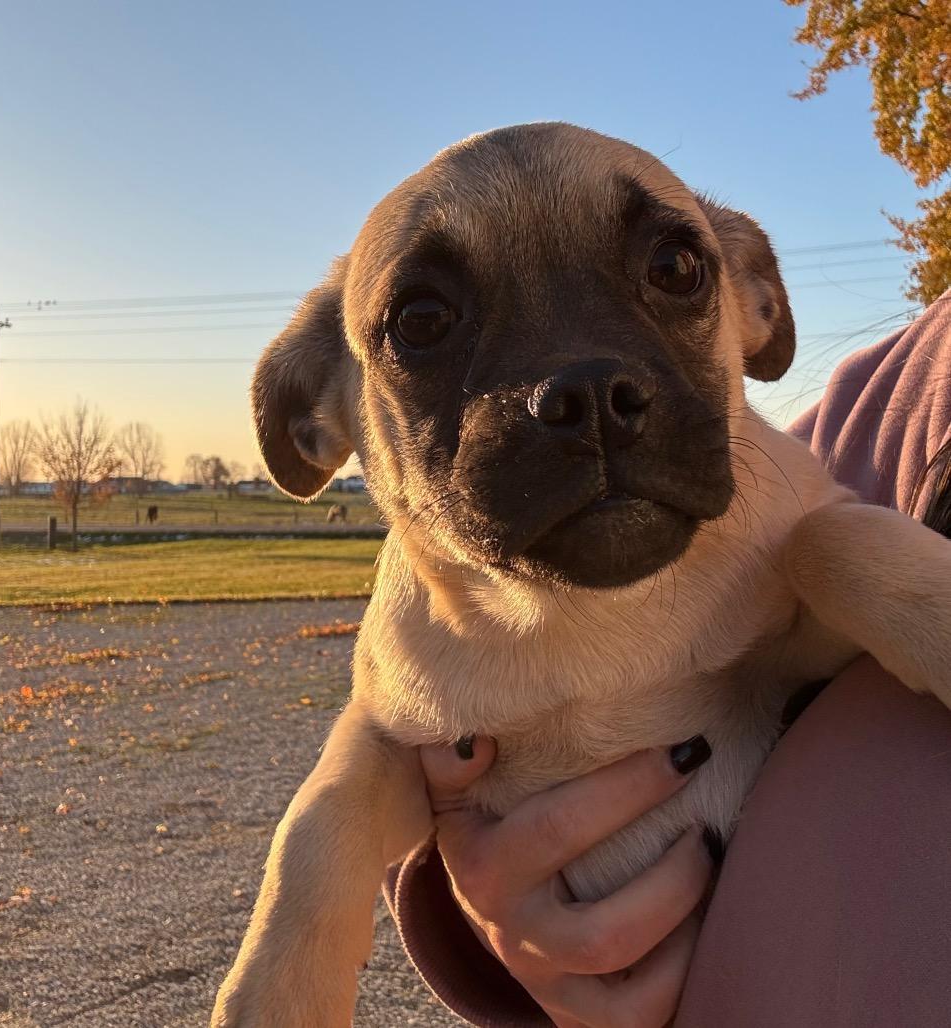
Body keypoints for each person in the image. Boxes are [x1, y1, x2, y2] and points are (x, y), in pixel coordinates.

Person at [385, 291, 951, 1027]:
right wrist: (507, 904)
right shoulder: (876, 407)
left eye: (671, 271)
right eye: (427, 325)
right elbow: (436, 750)